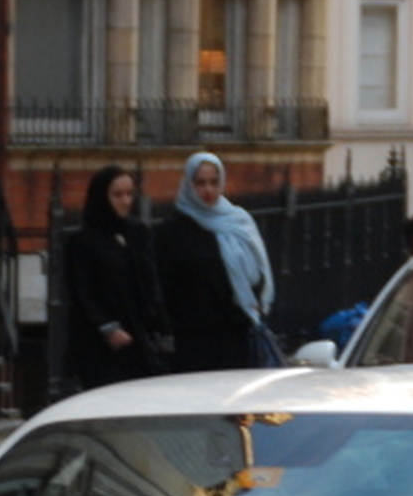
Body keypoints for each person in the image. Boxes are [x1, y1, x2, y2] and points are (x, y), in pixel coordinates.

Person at [156, 152, 279, 372]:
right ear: (188, 184)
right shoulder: (173, 231)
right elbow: (166, 287)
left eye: (214, 182)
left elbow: (258, 270)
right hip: (195, 342)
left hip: (237, 336)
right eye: (200, 183)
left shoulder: (238, 220)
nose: (208, 190)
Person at [63, 164, 172, 391]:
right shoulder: (84, 241)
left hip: (139, 336)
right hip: (103, 345)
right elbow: (82, 291)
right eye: (117, 195)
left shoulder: (138, 232)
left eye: (129, 194)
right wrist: (107, 327)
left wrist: (159, 323)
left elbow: (150, 280)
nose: (125, 201)